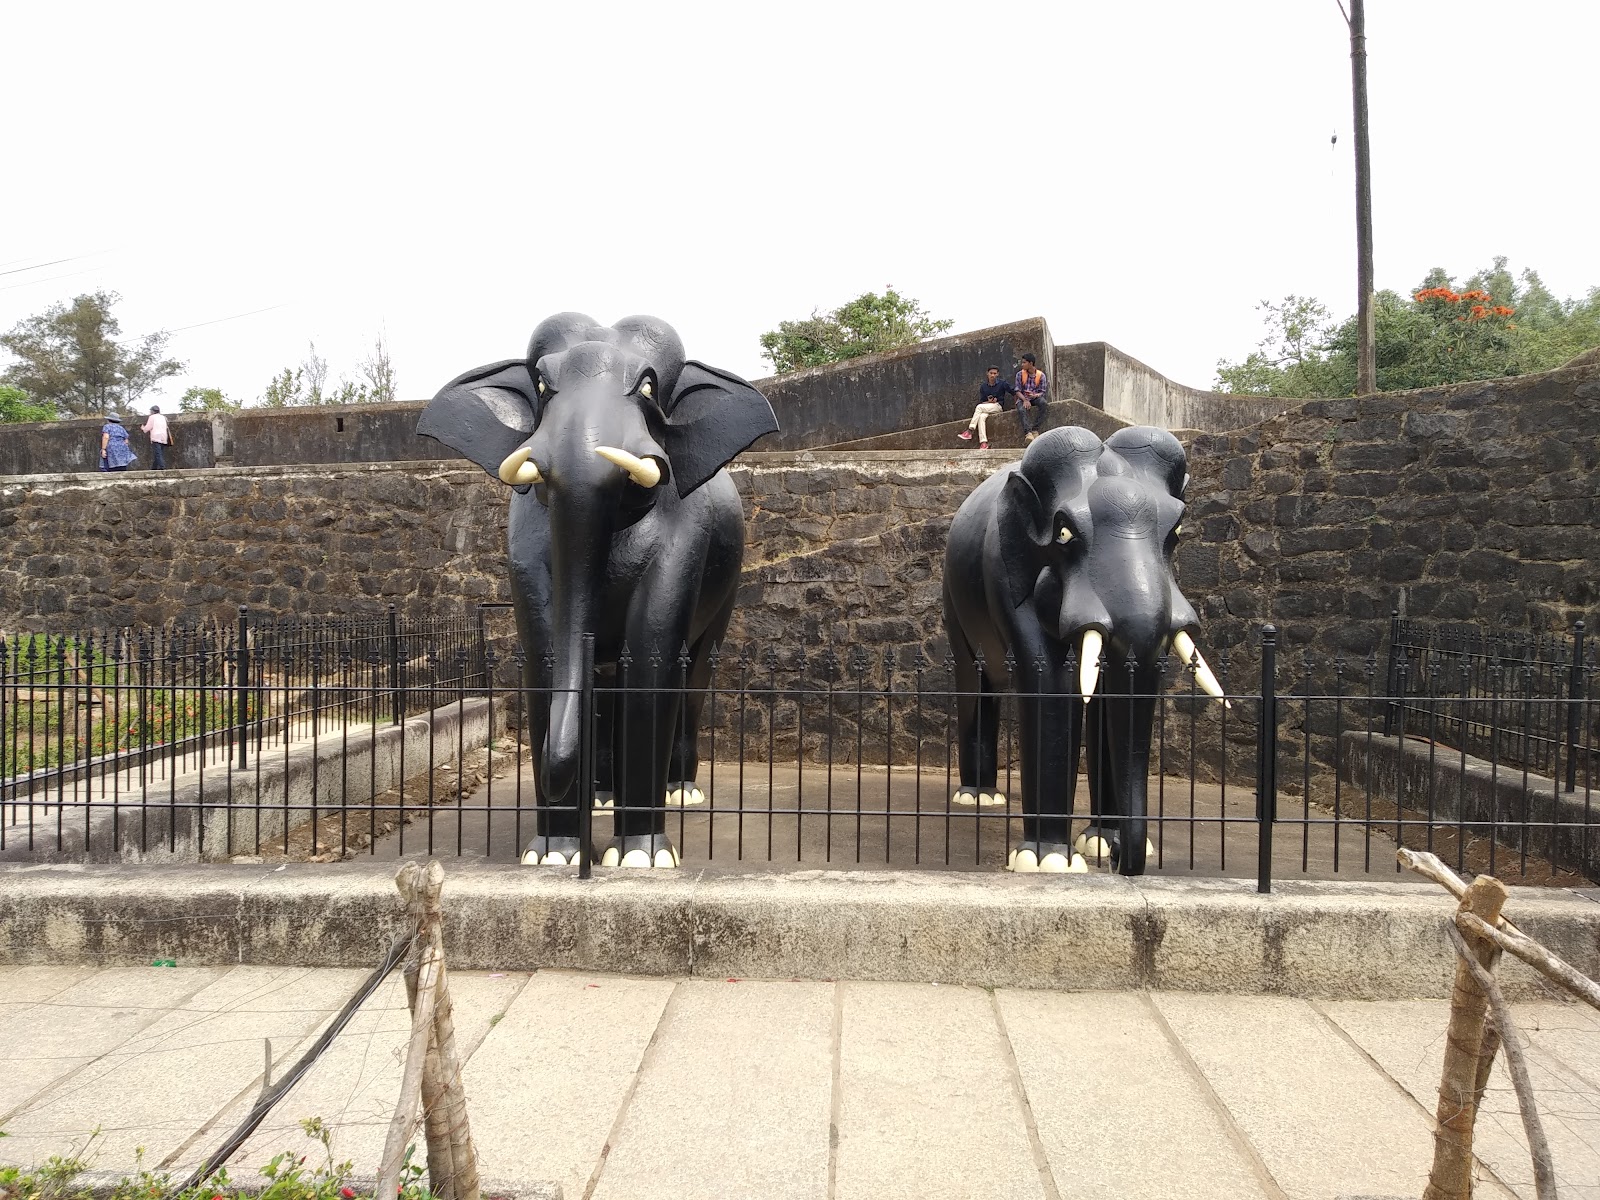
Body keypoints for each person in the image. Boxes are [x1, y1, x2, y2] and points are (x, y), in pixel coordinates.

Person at [956, 366, 1014, 448]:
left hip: (998, 406)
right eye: (991, 373)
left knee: (979, 407)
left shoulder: (1002, 383)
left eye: (994, 373)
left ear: (998, 374)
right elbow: (982, 401)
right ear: (987, 374)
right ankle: (984, 443)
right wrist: (989, 402)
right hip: (987, 406)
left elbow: (1013, 391)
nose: (992, 375)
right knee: (981, 417)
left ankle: (970, 430)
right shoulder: (983, 386)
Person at [1014, 353, 1049, 442]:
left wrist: (1034, 395)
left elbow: (1042, 391)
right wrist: (1025, 400)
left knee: (1043, 404)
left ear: (1031, 363)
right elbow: (1017, 391)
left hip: (1034, 397)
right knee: (1021, 409)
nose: (1022, 365)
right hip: (1023, 398)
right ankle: (1028, 433)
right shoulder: (1020, 374)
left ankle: (1035, 429)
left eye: (1024, 363)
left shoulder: (1041, 375)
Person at [141, 405, 172, 469]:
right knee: (159, 453)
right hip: (164, 436)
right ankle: (154, 468)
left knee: (158, 453)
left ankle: (162, 466)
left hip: (156, 437)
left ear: (152, 411)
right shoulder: (164, 417)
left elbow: (148, 427)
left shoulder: (152, 417)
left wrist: (143, 428)